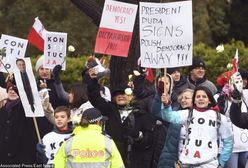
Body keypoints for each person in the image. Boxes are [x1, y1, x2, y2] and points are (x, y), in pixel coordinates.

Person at [85, 67, 156, 168]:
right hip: (111, 159)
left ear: (131, 96)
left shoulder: (140, 114)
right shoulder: (110, 109)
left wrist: (139, 138)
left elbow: (149, 140)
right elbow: (95, 98)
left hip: (133, 160)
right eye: (117, 94)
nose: (120, 96)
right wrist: (92, 81)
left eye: (123, 93)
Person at [161, 86, 233, 168]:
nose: (201, 99)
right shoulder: (187, 113)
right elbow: (168, 116)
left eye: (204, 96)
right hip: (186, 163)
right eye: (198, 96)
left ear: (209, 100)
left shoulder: (219, 117)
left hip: (209, 164)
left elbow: (228, 142)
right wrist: (166, 104)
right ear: (194, 100)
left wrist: (221, 162)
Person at [54, 108, 124, 168]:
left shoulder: (69, 141)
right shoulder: (107, 141)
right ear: (99, 122)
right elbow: (118, 165)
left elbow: (57, 165)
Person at [216, 71, 248, 168]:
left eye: (240, 82)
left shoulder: (245, 94)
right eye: (234, 82)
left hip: (245, 144)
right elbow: (217, 114)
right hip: (229, 146)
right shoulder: (218, 97)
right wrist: (222, 98)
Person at [0, 81, 37, 163]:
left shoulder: (25, 108)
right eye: (10, 89)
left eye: (15, 89)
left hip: (22, 156)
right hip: (4, 157)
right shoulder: (2, 110)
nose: (12, 91)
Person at [158, 88, 194, 168]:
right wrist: (166, 104)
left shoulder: (201, 116)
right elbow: (166, 115)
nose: (183, 100)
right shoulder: (175, 112)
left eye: (187, 98)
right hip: (171, 157)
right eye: (182, 98)